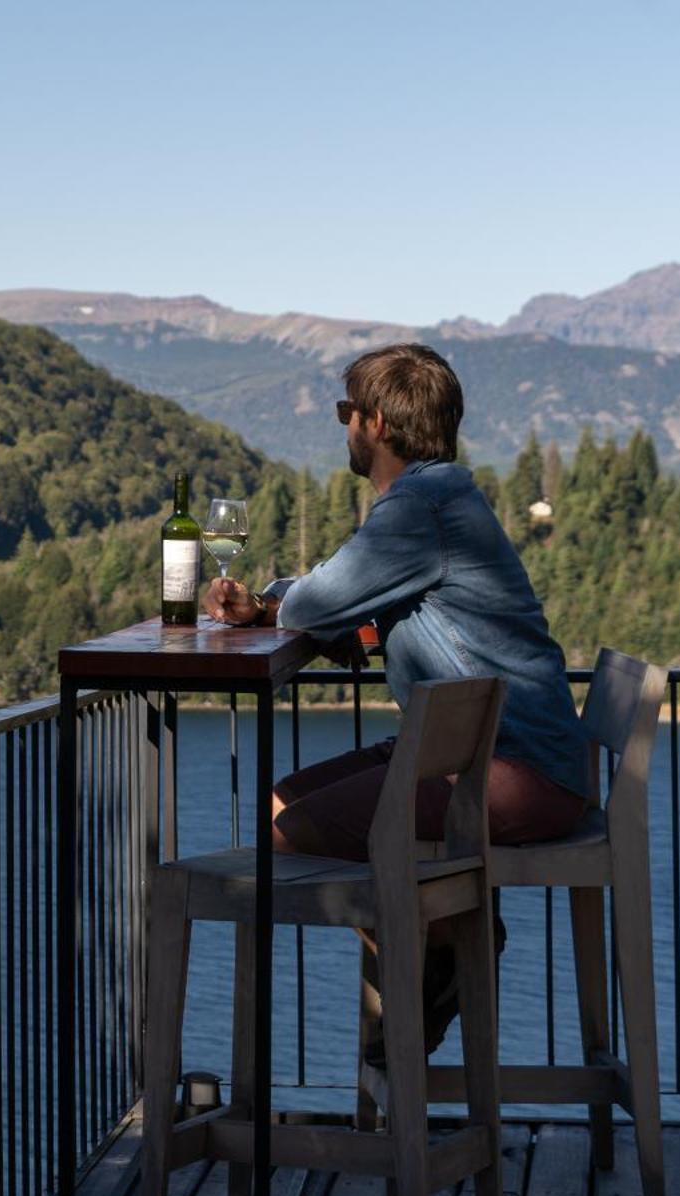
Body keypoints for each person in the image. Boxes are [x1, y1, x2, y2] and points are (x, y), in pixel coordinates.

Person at [201, 342, 589, 1060]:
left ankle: (446, 943)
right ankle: (441, 938)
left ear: (375, 423)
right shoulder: (443, 499)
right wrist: (342, 618)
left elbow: (319, 596)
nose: (344, 424)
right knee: (280, 809)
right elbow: (359, 601)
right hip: (505, 757)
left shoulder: (418, 506)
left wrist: (278, 604)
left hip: (510, 769)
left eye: (347, 411)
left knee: (284, 833)